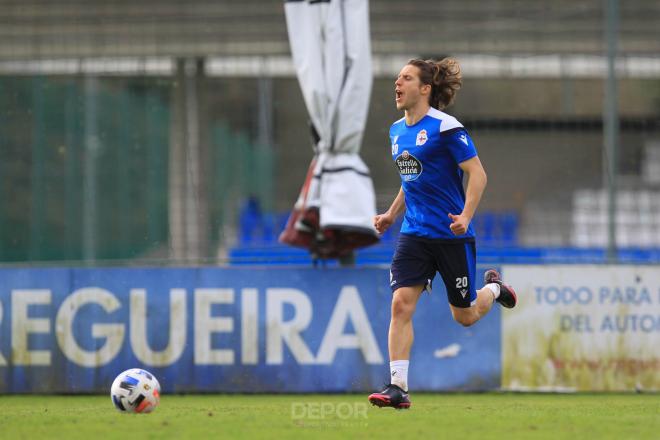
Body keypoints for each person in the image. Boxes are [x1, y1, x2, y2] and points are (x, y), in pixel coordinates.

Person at [367, 58, 517, 410]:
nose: (397, 83)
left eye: (405, 78)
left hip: (451, 235)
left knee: (463, 316)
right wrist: (391, 214)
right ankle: (397, 388)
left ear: (425, 88)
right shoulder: (395, 131)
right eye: (396, 78)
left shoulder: (447, 127)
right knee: (400, 303)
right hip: (414, 234)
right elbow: (412, 179)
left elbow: (477, 174)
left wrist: (466, 215)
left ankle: (494, 288)